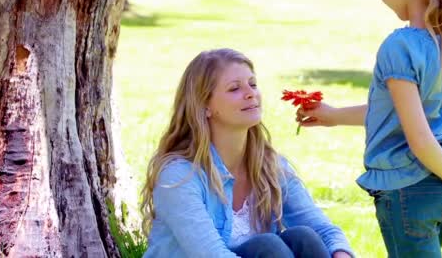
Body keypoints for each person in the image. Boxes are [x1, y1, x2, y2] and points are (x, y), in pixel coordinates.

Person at [296, 0, 442, 257]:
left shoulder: (400, 46)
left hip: (408, 189)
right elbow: (402, 113)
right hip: (439, 189)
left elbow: (419, 138)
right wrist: (334, 116)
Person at [140, 48, 354, 258]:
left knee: (303, 237)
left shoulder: (270, 165)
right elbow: (211, 255)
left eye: (252, 84)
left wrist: (340, 253)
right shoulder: (179, 176)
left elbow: (323, 229)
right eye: (234, 88)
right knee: (268, 247)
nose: (251, 93)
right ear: (204, 105)